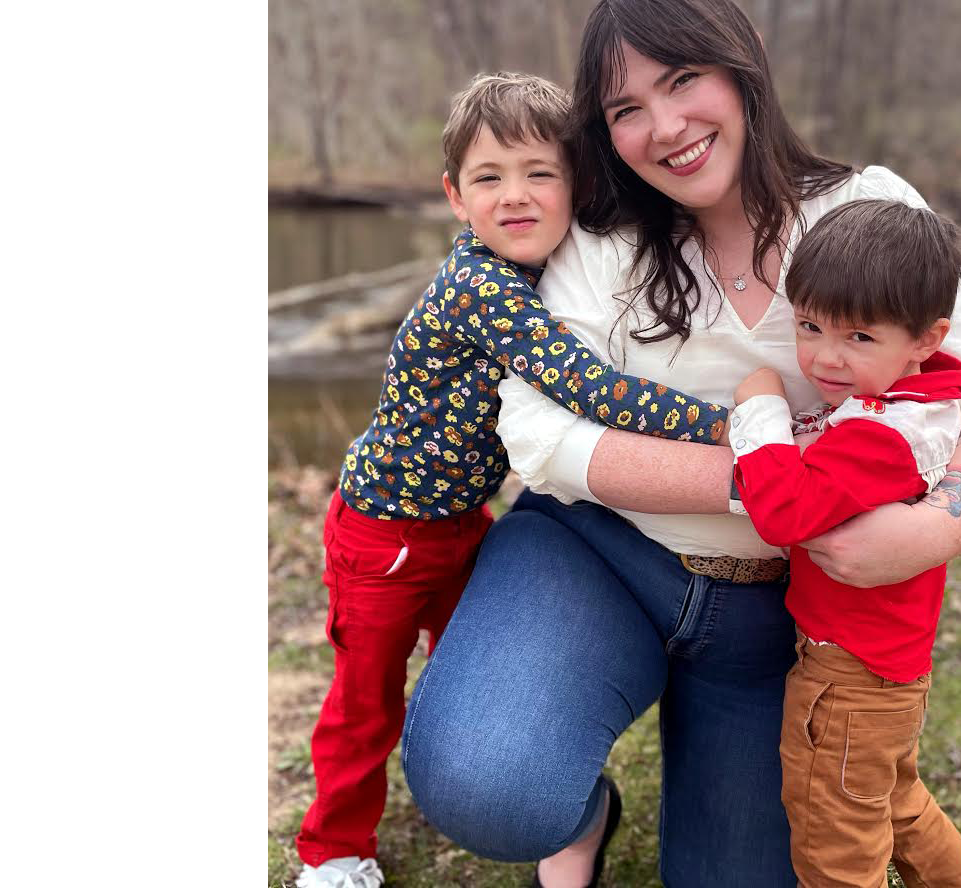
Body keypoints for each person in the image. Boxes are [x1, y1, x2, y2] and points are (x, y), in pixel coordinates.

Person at [400, 0, 961, 888]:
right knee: (492, 784)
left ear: (744, 63)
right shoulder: (595, 236)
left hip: (784, 618)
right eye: (626, 108)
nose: (666, 127)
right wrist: (766, 478)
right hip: (597, 555)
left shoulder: (864, 210)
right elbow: (537, 434)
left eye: (683, 80)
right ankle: (579, 814)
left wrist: (931, 528)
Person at [294, 71, 729, 888]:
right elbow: (589, 390)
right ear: (455, 198)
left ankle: (543, 790)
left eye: (539, 173)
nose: (515, 196)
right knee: (366, 700)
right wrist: (723, 428)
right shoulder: (481, 287)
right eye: (489, 178)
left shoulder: (552, 270)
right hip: (387, 534)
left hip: (463, 526)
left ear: (576, 184)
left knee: (481, 672)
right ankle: (333, 851)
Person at [729, 198, 961, 888]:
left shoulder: (880, 434)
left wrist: (759, 411)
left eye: (859, 339)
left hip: (846, 675)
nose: (823, 357)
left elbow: (783, 511)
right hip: (890, 669)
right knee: (894, 805)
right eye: (808, 326)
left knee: (834, 841)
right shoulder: (918, 401)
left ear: (925, 339)